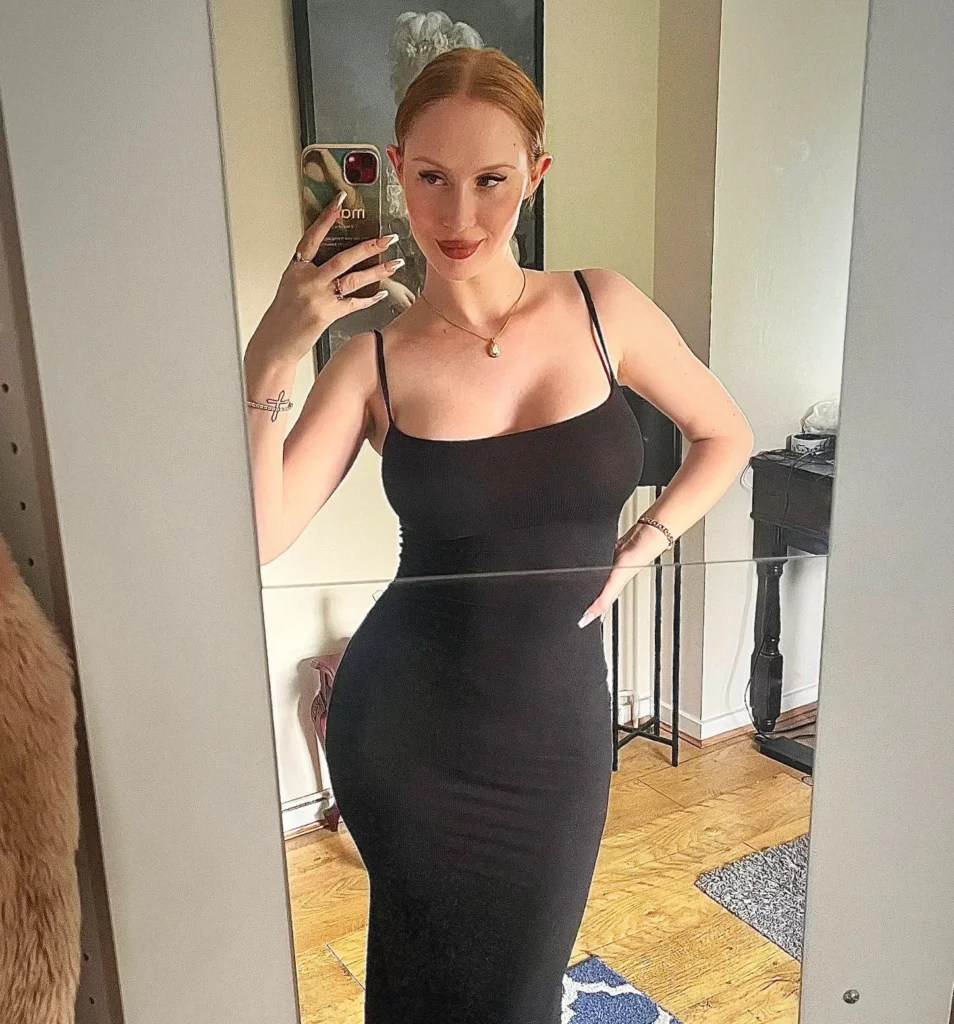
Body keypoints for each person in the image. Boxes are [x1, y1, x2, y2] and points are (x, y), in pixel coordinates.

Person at [243, 46, 753, 1024]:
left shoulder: (602, 307)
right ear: (397, 172)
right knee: (417, 984)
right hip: (404, 731)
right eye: (432, 178)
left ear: (536, 175)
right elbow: (264, 532)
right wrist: (271, 355)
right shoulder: (370, 363)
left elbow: (724, 433)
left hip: (556, 731)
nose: (460, 216)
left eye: (491, 180)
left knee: (519, 990)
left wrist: (648, 535)